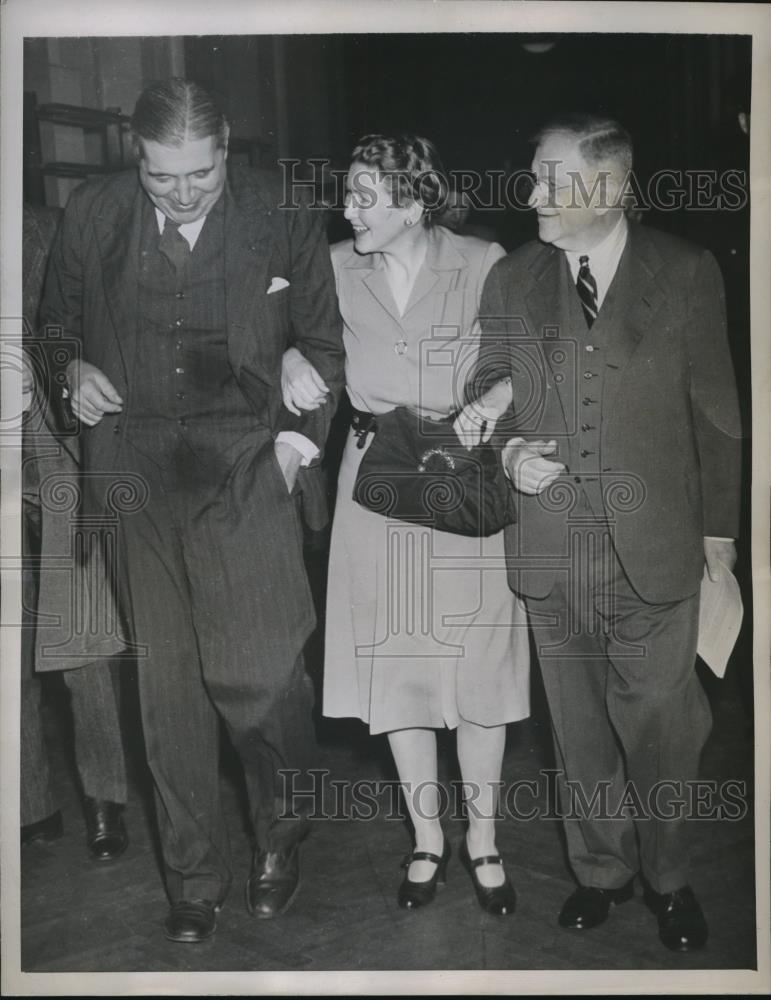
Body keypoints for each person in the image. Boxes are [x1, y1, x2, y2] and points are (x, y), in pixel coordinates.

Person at [39, 79, 344, 943]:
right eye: (160, 175)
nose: (179, 192)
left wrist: (292, 446)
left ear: (228, 148)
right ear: (135, 155)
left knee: (258, 679)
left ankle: (280, 837)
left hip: (244, 461)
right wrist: (72, 373)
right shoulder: (95, 212)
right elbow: (53, 327)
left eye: (199, 176)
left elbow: (323, 341)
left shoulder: (279, 211)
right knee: (166, 688)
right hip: (133, 470)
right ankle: (192, 874)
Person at [465, 113, 742, 951]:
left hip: (657, 548)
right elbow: (486, 385)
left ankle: (668, 876)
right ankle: (600, 872)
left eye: (552, 180)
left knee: (662, 724)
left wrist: (721, 541)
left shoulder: (686, 271)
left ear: (612, 186)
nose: (532, 195)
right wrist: (509, 449)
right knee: (577, 729)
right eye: (533, 176)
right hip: (551, 547)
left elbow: (719, 415)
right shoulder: (513, 278)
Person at [281, 134, 530, 915]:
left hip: (461, 477)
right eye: (346, 194)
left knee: (479, 664)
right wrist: (292, 352)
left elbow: (523, 355)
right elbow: (285, 334)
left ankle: (482, 839)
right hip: (376, 480)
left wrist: (492, 403)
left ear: (414, 202)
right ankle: (427, 840)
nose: (347, 209)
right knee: (400, 673)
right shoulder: (329, 268)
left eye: (364, 196)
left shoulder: (484, 260)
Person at [21, 203, 129, 862]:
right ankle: (31, 803)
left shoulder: (53, 228)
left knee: (83, 642)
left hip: (62, 451)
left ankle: (105, 800)